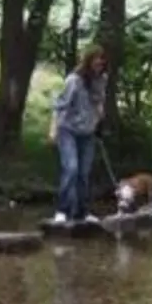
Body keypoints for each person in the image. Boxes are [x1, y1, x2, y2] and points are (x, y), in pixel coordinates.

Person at [48, 46, 107, 224]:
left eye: (102, 59)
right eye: (97, 59)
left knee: (84, 173)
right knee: (71, 169)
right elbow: (60, 106)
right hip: (68, 130)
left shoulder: (101, 80)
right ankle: (62, 210)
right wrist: (53, 129)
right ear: (88, 61)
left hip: (87, 133)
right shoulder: (73, 80)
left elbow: (99, 102)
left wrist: (98, 118)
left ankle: (81, 212)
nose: (100, 62)